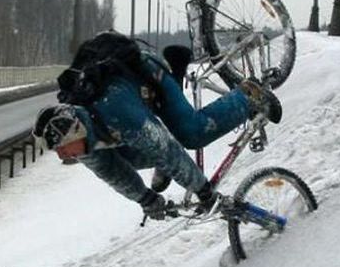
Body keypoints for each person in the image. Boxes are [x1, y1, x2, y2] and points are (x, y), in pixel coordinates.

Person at [33, 31, 281, 221]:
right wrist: (145, 199)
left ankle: (249, 97)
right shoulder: (84, 143)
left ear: (73, 130)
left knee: (191, 133)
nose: (61, 154)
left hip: (148, 77)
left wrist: (204, 192)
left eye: (62, 147)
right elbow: (113, 172)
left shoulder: (116, 112)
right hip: (129, 101)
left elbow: (166, 149)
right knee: (125, 157)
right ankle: (164, 169)